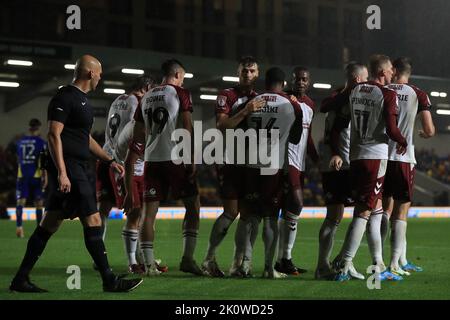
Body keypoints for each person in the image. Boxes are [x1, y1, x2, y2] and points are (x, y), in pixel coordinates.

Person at [9, 55, 143, 293]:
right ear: (90, 73)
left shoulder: (82, 101)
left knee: (49, 224)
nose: (101, 77)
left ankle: (20, 278)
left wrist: (109, 159)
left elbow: (85, 138)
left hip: (78, 168)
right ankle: (109, 280)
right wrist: (62, 172)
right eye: (99, 73)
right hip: (70, 168)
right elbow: (53, 134)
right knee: (92, 219)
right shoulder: (65, 96)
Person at [331, 54, 408, 281]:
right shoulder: (388, 94)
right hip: (375, 158)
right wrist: (402, 140)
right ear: (382, 72)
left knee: (374, 210)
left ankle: (379, 264)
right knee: (364, 211)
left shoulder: (354, 91)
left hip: (355, 157)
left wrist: (336, 150)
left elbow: (337, 125)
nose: (393, 72)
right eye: (391, 69)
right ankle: (344, 263)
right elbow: (393, 130)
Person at [125, 59, 202, 276]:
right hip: (175, 158)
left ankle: (149, 265)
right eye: (183, 77)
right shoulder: (181, 92)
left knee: (149, 214)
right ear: (177, 74)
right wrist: (191, 158)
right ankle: (187, 258)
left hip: (151, 160)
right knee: (193, 206)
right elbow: (186, 126)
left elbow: (138, 136)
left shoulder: (146, 96)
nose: (183, 81)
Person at [201, 56, 265, 278]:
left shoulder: (262, 99)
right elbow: (222, 125)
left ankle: (239, 264)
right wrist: (246, 111)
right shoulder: (226, 95)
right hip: (230, 160)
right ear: (238, 72)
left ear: (258, 74)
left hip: (253, 163)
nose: (247, 74)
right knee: (231, 211)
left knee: (248, 214)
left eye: (252, 71)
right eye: (244, 70)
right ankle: (209, 259)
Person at [241, 67, 303, 278]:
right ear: (283, 83)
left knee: (250, 217)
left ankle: (245, 264)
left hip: (250, 165)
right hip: (272, 166)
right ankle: (269, 268)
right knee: (269, 217)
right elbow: (295, 139)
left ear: (265, 82)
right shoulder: (288, 105)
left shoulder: (252, 102)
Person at [314, 62, 368, 280]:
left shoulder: (349, 98)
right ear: (357, 80)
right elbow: (327, 112)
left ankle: (346, 262)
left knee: (358, 213)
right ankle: (323, 265)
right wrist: (337, 153)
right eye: (365, 79)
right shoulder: (341, 97)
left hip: (349, 162)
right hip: (338, 163)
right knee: (335, 216)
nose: (367, 83)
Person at [383, 57, 435, 275]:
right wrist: (424, 133)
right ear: (409, 73)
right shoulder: (418, 93)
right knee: (402, 212)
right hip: (404, 158)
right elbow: (430, 130)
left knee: (384, 210)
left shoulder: (383, 89)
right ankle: (395, 263)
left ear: (393, 71)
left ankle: (390, 260)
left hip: (382, 156)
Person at [97, 75, 154, 242]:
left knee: (103, 209)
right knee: (135, 211)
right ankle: (136, 259)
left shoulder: (117, 100)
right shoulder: (138, 102)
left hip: (105, 157)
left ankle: (99, 252)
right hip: (121, 162)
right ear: (147, 87)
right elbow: (134, 132)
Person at [275, 66, 318, 275]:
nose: (300, 82)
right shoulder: (283, 100)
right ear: (291, 81)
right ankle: (282, 258)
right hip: (285, 162)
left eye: (304, 79)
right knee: (296, 204)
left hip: (300, 164)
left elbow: (307, 137)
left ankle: (283, 259)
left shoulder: (310, 104)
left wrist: (317, 160)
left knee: (289, 210)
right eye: (297, 79)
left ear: (308, 82)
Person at [15, 119, 47, 238]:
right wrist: (45, 176)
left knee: (21, 202)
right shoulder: (41, 142)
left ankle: (19, 227)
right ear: (38, 128)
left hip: (22, 175)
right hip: (36, 176)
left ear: (29, 127)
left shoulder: (19, 142)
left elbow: (18, 158)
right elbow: (43, 161)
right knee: (39, 203)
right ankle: (39, 230)